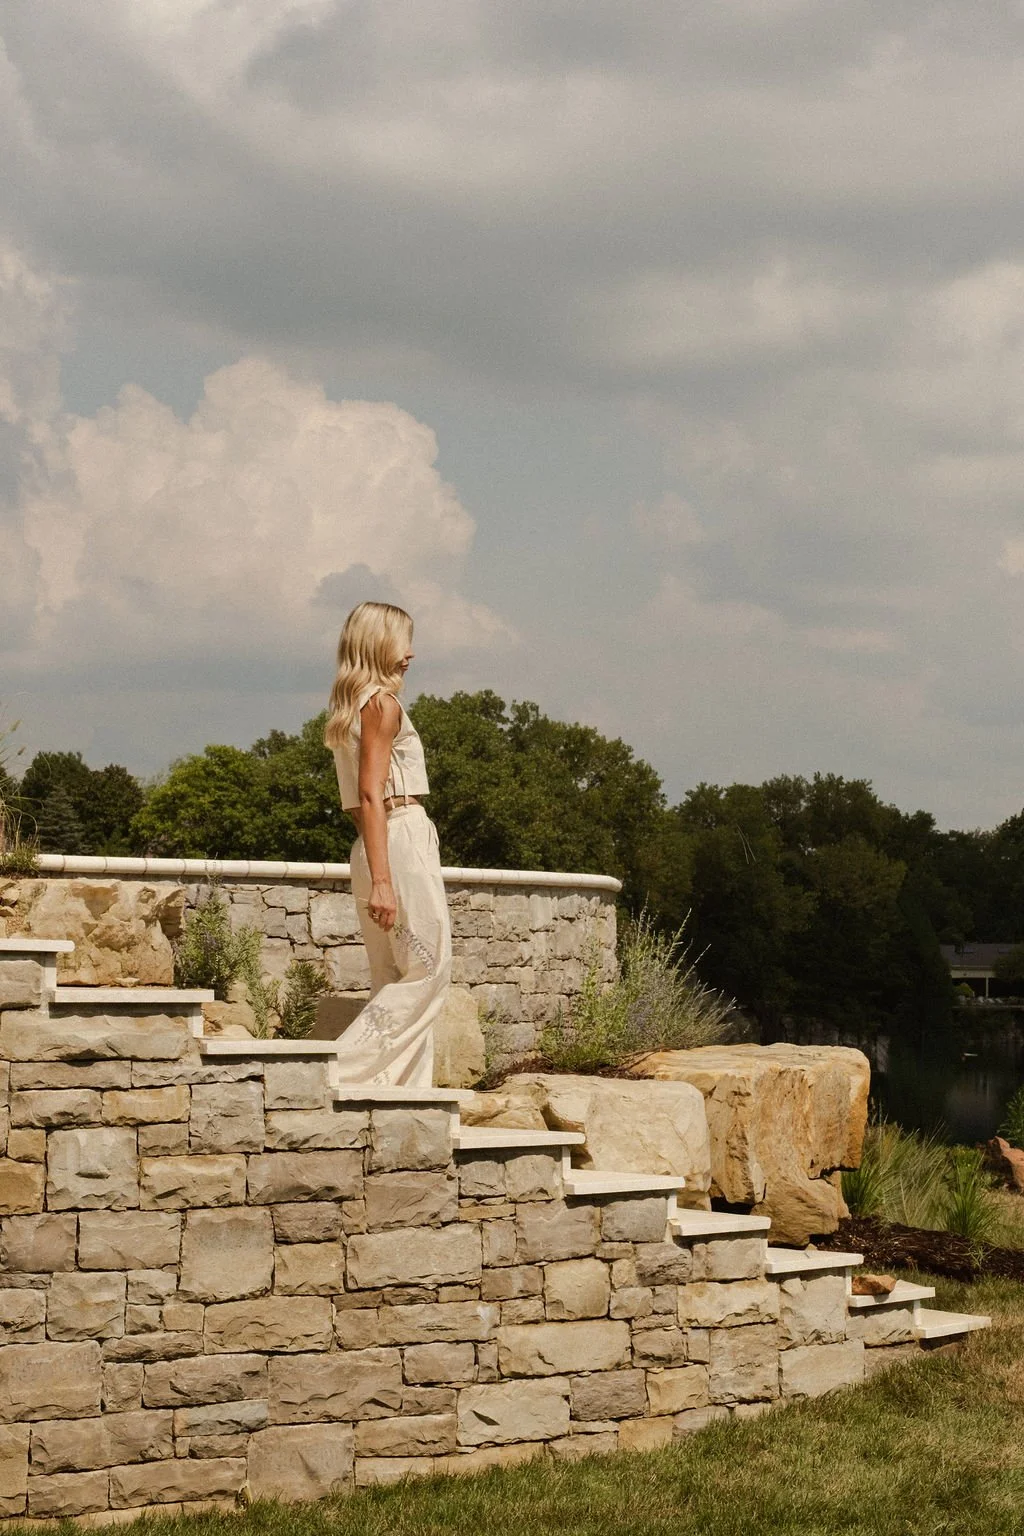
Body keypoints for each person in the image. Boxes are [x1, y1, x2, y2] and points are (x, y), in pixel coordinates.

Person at [323, 601, 452, 1085]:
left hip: (373, 843)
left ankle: (401, 1095)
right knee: (428, 969)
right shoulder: (382, 704)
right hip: (399, 839)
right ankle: (334, 1071)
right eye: (403, 642)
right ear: (379, 643)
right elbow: (370, 794)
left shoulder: (347, 710)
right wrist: (385, 880)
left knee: (392, 977)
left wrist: (375, 867)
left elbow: (358, 806)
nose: (411, 654)